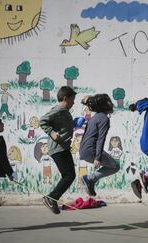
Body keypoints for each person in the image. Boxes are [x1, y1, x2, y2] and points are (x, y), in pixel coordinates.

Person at [39, 86, 77, 214]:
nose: (73, 103)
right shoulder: (59, 109)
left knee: (70, 175)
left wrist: (74, 123)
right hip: (58, 148)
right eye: (72, 100)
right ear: (65, 98)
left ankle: (52, 198)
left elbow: (63, 126)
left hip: (64, 147)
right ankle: (51, 198)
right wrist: (52, 133)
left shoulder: (64, 111)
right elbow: (43, 121)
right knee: (69, 175)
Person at [79, 94, 120, 196]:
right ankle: (89, 178)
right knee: (115, 167)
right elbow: (101, 139)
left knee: (113, 166)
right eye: (109, 101)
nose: (111, 103)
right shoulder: (104, 119)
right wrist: (97, 158)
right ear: (104, 105)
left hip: (84, 150)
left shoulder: (95, 117)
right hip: (91, 150)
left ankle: (90, 181)